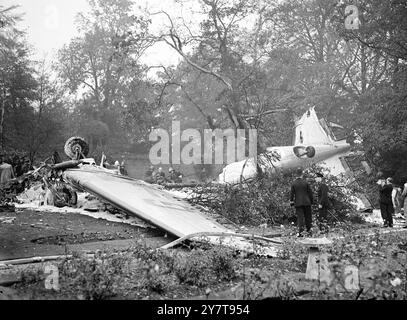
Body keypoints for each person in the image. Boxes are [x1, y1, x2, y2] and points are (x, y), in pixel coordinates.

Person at [290, 167, 314, 236]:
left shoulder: (293, 183)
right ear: (302, 174)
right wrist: (311, 202)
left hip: (298, 203)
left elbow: (291, 194)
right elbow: (310, 193)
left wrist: (291, 201)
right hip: (307, 202)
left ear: (296, 175)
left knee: (300, 218)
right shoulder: (306, 182)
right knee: (308, 217)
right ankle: (309, 232)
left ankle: (301, 233)